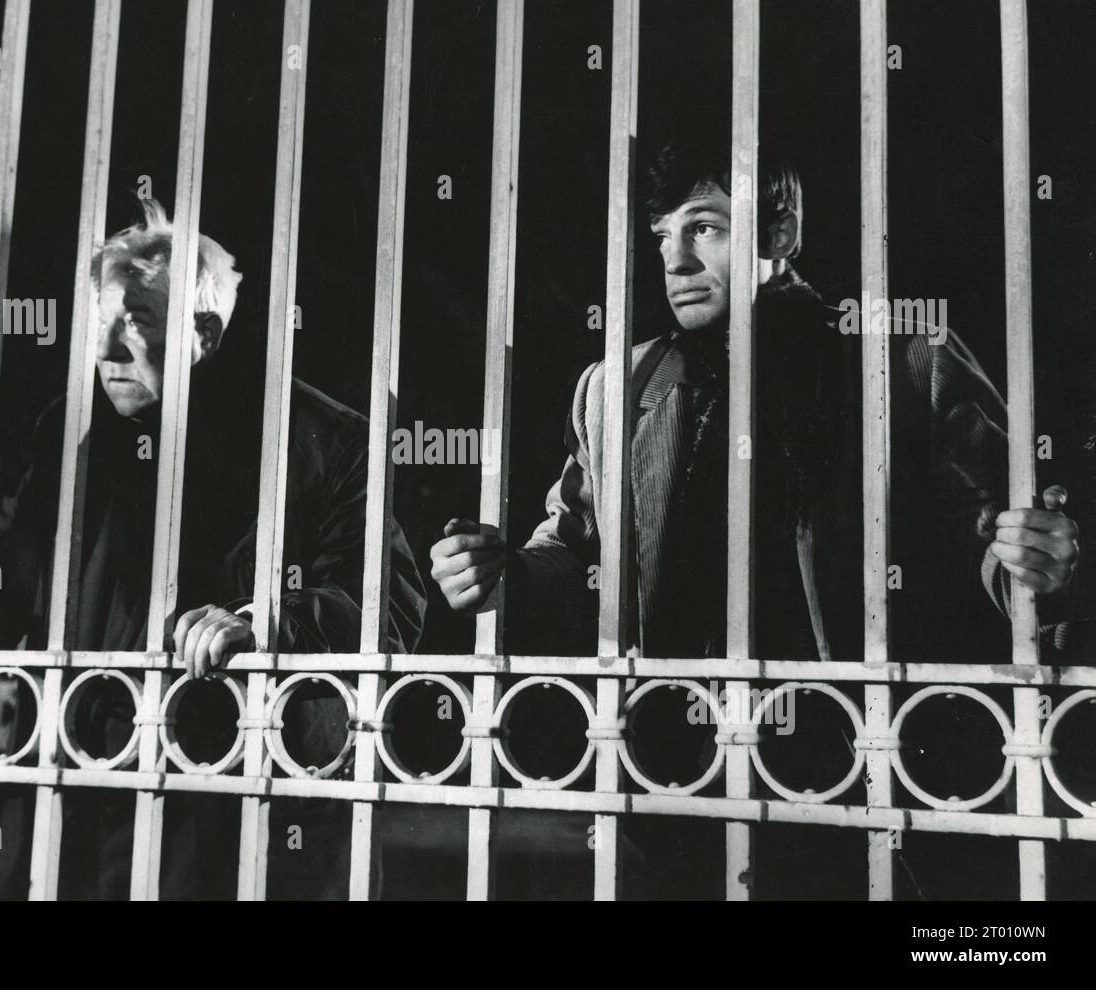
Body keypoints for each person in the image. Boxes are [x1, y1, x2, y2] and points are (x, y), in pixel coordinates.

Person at [429, 130, 1082, 898]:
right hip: (665, 785)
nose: (674, 260)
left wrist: (1046, 563)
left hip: (860, 786)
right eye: (662, 236)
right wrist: (501, 573)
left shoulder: (900, 358)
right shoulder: (616, 384)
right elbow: (573, 551)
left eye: (703, 227)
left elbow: (1006, 540)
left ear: (780, 232)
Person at [0, 199, 427, 898]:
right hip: (70, 792)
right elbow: (8, 554)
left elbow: (387, 607)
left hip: (233, 817)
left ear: (203, 331)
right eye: (97, 325)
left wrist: (265, 623)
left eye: (132, 326)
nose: (105, 352)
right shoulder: (73, 429)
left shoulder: (325, 438)